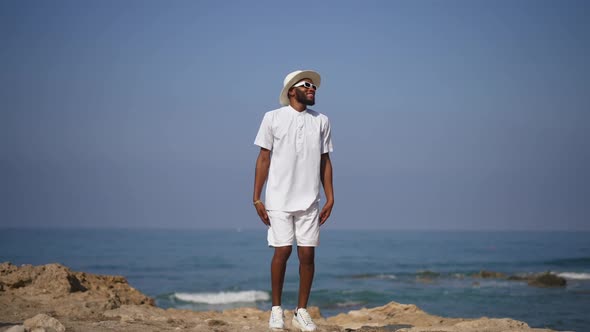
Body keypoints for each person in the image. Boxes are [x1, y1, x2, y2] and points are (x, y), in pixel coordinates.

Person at [253, 70, 334, 331]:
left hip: (310, 199)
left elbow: (325, 161)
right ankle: (276, 310)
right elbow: (264, 158)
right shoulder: (272, 117)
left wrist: (330, 197)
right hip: (277, 196)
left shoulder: (322, 120)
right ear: (291, 91)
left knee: (307, 254)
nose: (312, 89)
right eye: (306, 85)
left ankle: (301, 312)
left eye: (314, 87)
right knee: (283, 250)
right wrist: (256, 197)